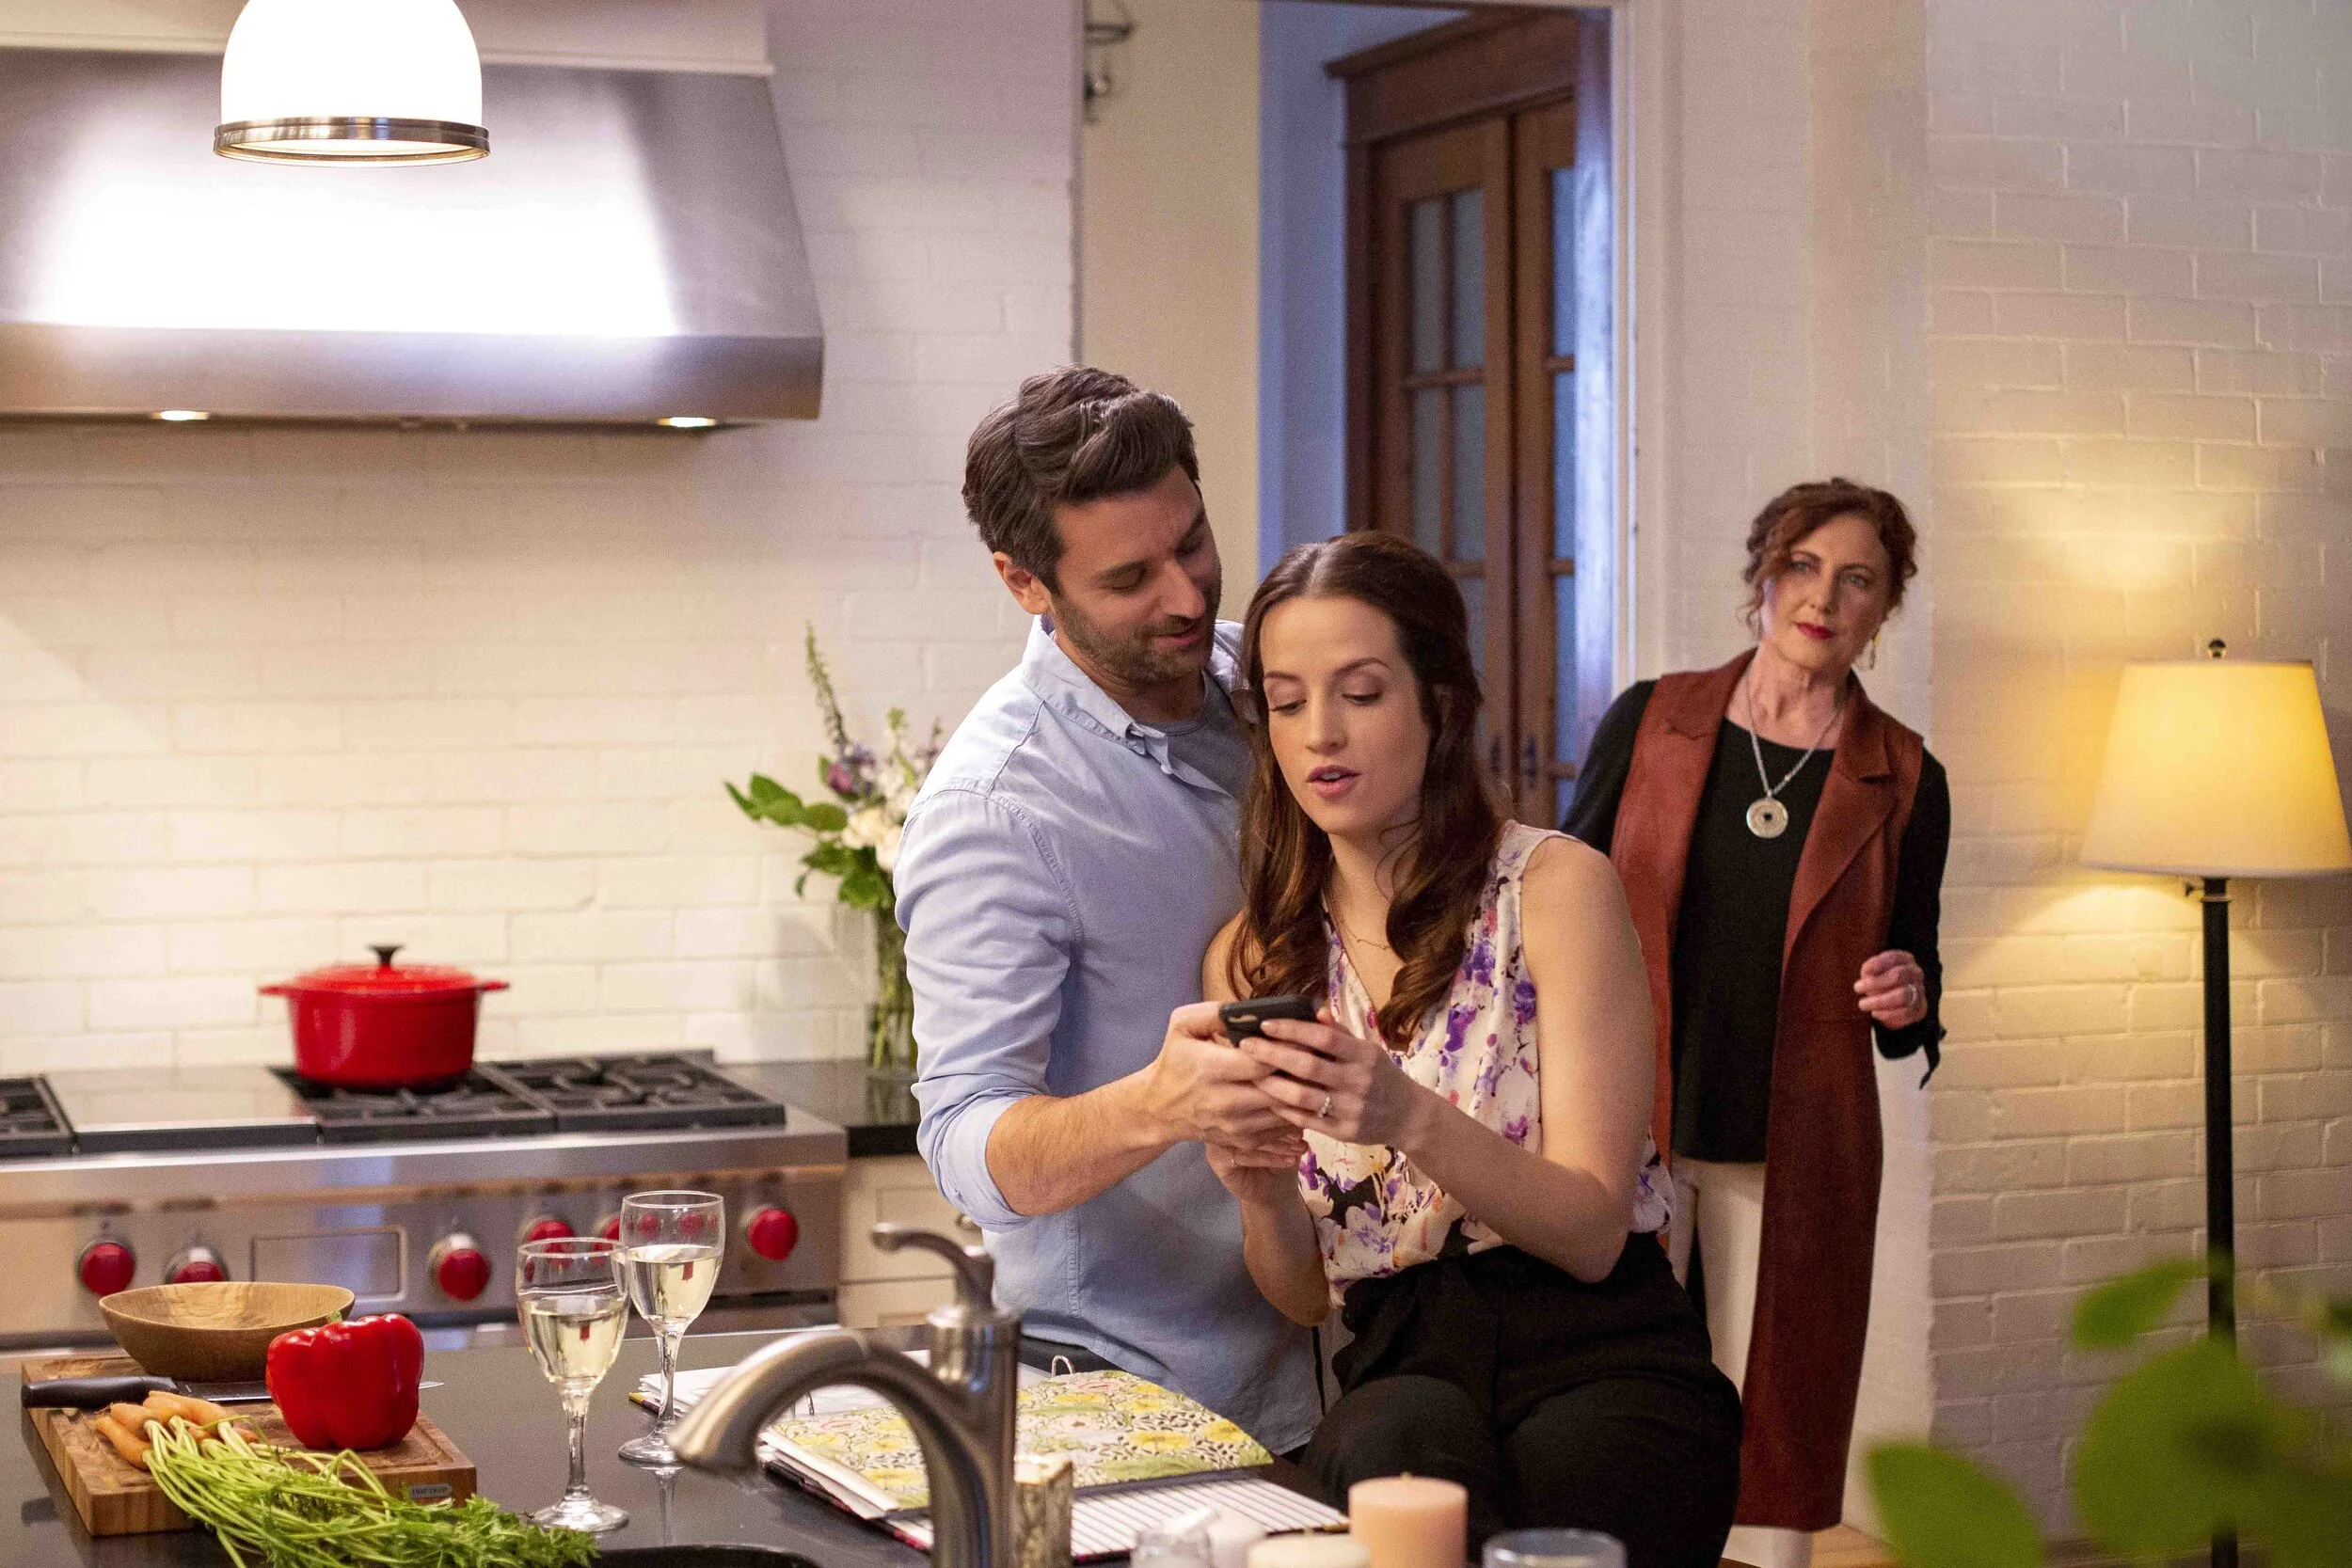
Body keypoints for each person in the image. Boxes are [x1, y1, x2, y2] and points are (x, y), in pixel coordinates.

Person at [1197, 531, 1741, 1567]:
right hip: (1401, 1359)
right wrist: (1255, 1185)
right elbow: (1308, 1294)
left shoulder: (1554, 888)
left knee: (1569, 1481)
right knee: (1387, 1445)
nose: (1321, 733)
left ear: (1438, 703)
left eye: (1360, 690)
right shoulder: (1253, 957)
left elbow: (1589, 1230)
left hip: (1602, 1347)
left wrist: (1407, 1114)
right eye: (1285, 698)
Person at [896, 367, 1319, 1454]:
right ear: (1022, 580)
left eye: (1194, 541)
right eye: (1131, 575)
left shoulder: (1262, 686)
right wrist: (1161, 1099)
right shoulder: (996, 807)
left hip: (1350, 1355)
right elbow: (963, 1138)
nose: (1185, 595)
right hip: (1143, 1393)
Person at [1563, 477, 1948, 1568]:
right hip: (1630, 1111)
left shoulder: (1905, 774)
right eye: (1803, 565)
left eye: (1858, 578)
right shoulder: (1651, 716)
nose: (1823, 595)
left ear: (1884, 609)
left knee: (1776, 1403)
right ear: (1763, 577)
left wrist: (1907, 994)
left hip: (1797, 1132)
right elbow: (1561, 889)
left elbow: (1911, 968)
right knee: (1625, 1376)